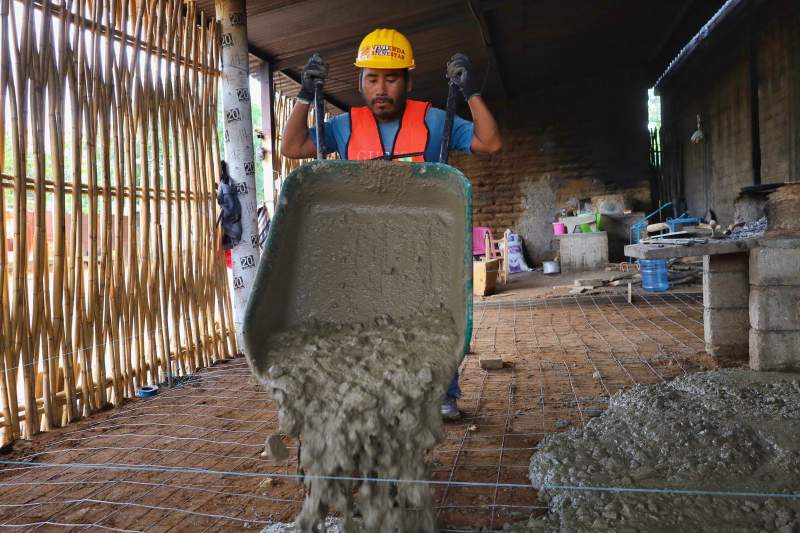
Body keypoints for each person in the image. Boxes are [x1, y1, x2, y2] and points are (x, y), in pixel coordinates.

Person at [281, 28, 502, 420]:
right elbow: (293, 147)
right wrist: (303, 95)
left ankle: (443, 392)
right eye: (372, 78)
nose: (382, 88)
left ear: (408, 80)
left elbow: (490, 142)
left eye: (392, 77)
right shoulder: (344, 126)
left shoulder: (435, 120)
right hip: (363, 247)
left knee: (436, 319)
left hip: (424, 245)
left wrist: (470, 93)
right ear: (361, 82)